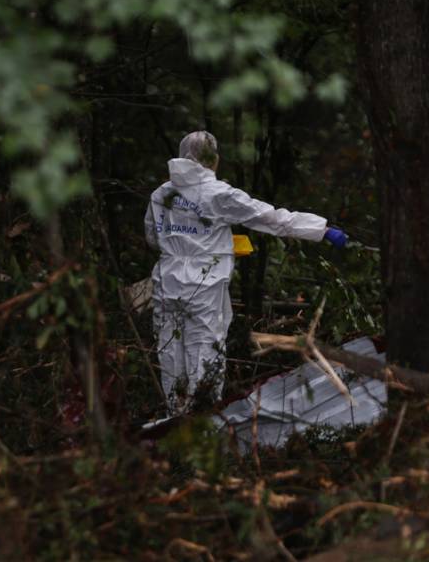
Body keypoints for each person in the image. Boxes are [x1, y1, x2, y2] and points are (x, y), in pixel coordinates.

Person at [144, 130, 348, 415]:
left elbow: (154, 237)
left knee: (170, 352)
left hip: (167, 279)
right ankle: (202, 421)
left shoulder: (161, 194)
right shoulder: (218, 194)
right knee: (204, 350)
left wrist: (188, 243)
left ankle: (174, 418)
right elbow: (271, 218)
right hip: (204, 283)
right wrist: (321, 230)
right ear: (213, 159)